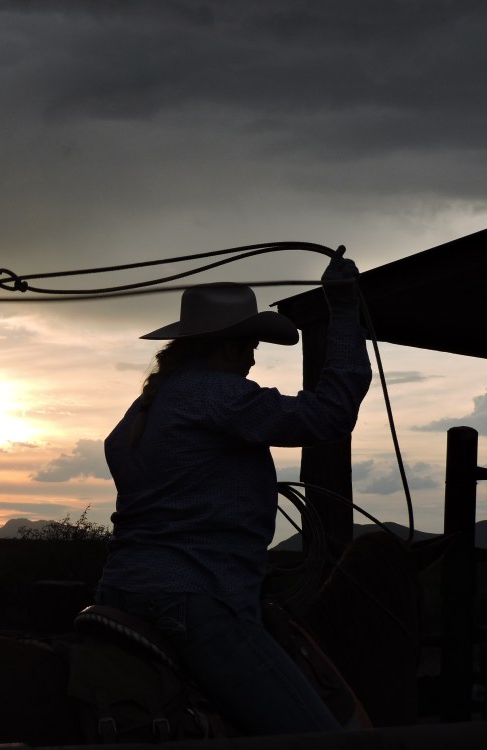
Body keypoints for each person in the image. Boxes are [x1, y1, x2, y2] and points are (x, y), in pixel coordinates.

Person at [96, 253, 372, 736]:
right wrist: (346, 313)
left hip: (123, 590)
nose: (253, 358)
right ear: (226, 347)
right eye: (250, 345)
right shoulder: (218, 395)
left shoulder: (143, 409)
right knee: (317, 737)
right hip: (198, 597)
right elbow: (328, 415)